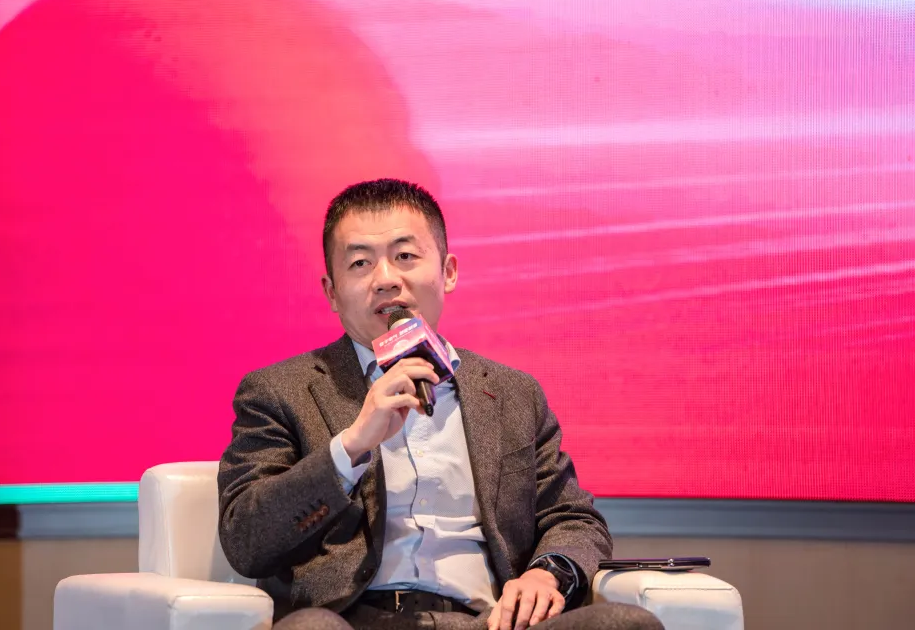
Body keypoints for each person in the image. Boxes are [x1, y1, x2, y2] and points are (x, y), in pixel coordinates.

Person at [217, 179, 662, 630]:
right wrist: (349, 448)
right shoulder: (280, 391)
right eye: (360, 263)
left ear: (448, 271)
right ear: (332, 292)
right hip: (348, 622)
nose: (386, 279)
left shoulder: (513, 394)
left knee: (625, 624)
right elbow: (246, 540)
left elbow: (573, 517)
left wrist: (547, 574)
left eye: (405, 256)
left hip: (488, 622)